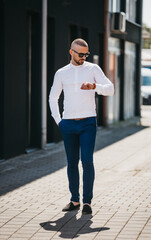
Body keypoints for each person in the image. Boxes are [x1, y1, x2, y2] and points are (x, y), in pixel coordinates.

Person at [49, 38, 114, 214]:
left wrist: (94, 86)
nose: (83, 57)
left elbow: (110, 88)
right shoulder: (61, 73)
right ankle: (74, 200)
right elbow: (53, 97)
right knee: (71, 162)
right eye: (80, 54)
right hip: (68, 124)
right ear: (71, 52)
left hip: (88, 123)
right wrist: (58, 120)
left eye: (86, 54)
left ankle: (87, 202)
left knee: (87, 161)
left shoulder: (93, 69)